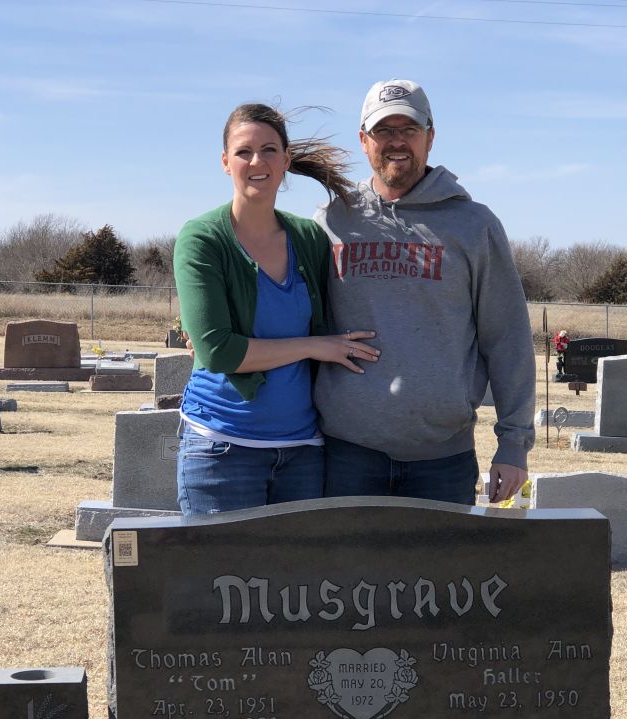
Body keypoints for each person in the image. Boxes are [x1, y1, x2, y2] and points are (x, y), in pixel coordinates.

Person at [314, 79, 535, 505]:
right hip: (345, 452)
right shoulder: (331, 221)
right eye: (383, 130)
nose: (397, 142)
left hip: (443, 459)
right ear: (363, 140)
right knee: (346, 573)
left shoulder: (473, 224)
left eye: (409, 129)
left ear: (430, 138)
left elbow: (507, 338)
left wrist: (513, 445)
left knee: (439, 573)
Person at [172, 103, 380, 516]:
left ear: (286, 160)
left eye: (269, 150)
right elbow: (218, 352)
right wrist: (313, 346)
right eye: (244, 151)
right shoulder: (202, 240)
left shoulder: (309, 237)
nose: (256, 161)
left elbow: (336, 317)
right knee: (220, 580)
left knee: (294, 581)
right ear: (225, 162)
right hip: (221, 447)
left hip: (303, 451)